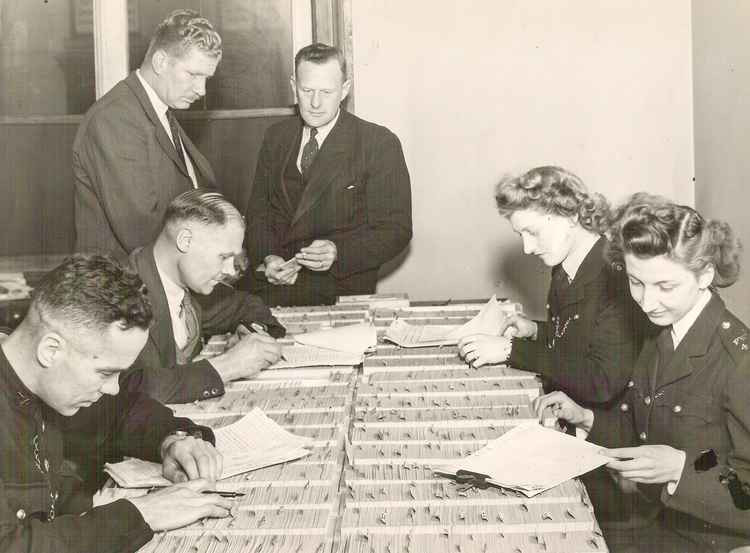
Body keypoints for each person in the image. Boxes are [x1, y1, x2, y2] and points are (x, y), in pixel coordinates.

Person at [534, 194, 750, 552]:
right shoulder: (662, 330)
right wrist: (587, 418)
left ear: (705, 275)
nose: (647, 302)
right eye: (636, 283)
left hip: (710, 540)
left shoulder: (738, 359)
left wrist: (680, 470)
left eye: (665, 286)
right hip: (654, 523)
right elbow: (643, 428)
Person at [0, 254, 232, 553]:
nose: (113, 388)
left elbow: (120, 410)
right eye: (105, 372)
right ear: (51, 350)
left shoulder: (37, 375)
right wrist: (142, 514)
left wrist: (172, 441)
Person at [458, 166, 649, 406]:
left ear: (571, 216)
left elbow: (603, 381)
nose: (528, 248)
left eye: (533, 232)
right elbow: (579, 337)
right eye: (521, 235)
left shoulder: (617, 277)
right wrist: (536, 331)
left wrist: (512, 350)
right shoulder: (565, 264)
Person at [244, 43, 412, 306]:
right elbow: (258, 214)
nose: (315, 103)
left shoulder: (378, 143)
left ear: (344, 90)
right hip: (276, 288)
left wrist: (338, 252)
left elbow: (395, 230)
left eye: (326, 92)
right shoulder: (275, 137)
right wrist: (269, 257)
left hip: (341, 291)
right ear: (293, 86)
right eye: (307, 90)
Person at [73, 9, 221, 262]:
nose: (201, 90)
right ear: (161, 62)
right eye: (194, 75)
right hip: (122, 287)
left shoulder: (158, 110)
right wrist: (215, 253)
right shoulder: (116, 118)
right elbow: (141, 230)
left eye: (206, 78)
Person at [129, 189, 285, 404]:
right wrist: (227, 365)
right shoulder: (119, 294)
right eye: (224, 256)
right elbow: (126, 390)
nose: (231, 271)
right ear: (185, 240)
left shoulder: (187, 281)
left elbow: (246, 305)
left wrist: (250, 330)